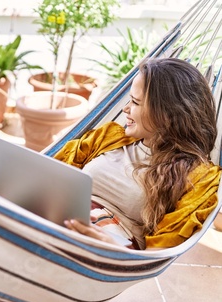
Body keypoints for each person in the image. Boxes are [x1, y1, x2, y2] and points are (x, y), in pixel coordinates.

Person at [54, 57, 221, 250]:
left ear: (167, 114)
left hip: (106, 248)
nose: (125, 109)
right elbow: (56, 174)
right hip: (62, 217)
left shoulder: (198, 177)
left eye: (134, 102)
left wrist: (114, 249)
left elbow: (158, 250)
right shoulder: (108, 137)